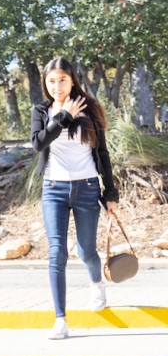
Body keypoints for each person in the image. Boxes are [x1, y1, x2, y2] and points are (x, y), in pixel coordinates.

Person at [31, 57, 119, 340]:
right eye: (51, 81)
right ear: (45, 83)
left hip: (87, 188)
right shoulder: (41, 110)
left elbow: (102, 155)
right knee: (57, 253)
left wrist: (111, 194)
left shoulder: (90, 109)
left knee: (86, 252)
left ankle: (97, 283)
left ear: (73, 80)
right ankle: (60, 319)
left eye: (62, 80)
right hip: (53, 189)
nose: (57, 86)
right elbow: (38, 144)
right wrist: (62, 117)